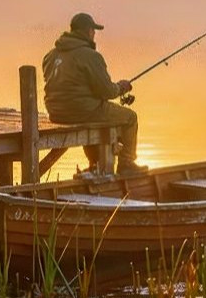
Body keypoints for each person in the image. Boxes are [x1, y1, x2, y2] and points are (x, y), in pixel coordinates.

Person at [42, 12, 147, 176]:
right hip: (82, 111)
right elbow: (106, 91)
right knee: (130, 118)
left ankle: (96, 164)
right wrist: (121, 87)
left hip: (55, 113)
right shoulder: (91, 56)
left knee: (92, 111)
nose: (94, 34)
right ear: (87, 31)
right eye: (93, 30)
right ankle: (126, 163)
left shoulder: (50, 55)